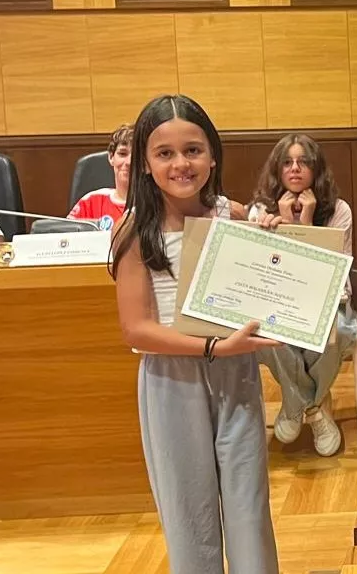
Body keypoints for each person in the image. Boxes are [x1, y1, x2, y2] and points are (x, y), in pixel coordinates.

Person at [108, 94, 276, 574]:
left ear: (213, 155)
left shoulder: (231, 214)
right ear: (145, 162)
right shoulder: (135, 231)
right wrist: (214, 346)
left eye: (193, 150)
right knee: (189, 514)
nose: (181, 163)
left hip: (236, 373)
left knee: (249, 506)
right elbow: (135, 328)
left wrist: (276, 231)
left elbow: (275, 274)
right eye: (165, 153)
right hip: (171, 381)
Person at [250, 134, 356, 457]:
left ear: (316, 169)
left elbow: (332, 275)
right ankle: (314, 406)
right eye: (287, 162)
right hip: (278, 304)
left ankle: (295, 405)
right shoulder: (260, 211)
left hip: (327, 300)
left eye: (303, 162)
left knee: (336, 331)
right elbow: (265, 276)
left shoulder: (339, 211)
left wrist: (306, 224)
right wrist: (278, 231)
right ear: (277, 170)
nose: (295, 169)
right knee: (268, 332)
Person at [69, 123, 133, 231]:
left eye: (136, 155)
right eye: (122, 154)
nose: (129, 162)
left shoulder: (158, 205)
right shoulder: (90, 202)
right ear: (111, 157)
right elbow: (67, 239)